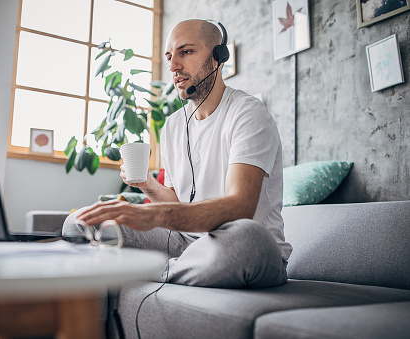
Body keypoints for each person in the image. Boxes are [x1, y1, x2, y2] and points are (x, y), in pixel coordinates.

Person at [63, 19, 292, 289]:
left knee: (247, 238)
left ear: (218, 57)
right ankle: (174, 271)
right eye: (170, 56)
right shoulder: (172, 125)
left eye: (186, 52)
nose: (173, 67)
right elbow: (175, 200)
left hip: (243, 247)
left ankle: (143, 270)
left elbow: (239, 208)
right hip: (187, 243)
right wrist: (146, 184)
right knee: (80, 222)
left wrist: (154, 216)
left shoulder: (248, 112)